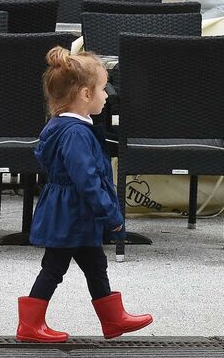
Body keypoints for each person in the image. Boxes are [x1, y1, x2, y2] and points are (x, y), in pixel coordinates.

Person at [17, 46, 153, 343]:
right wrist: (112, 215)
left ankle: (112, 319)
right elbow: (87, 180)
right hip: (73, 214)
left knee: (94, 263)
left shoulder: (62, 127)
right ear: (85, 95)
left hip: (70, 211)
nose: (106, 95)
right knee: (54, 268)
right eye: (103, 89)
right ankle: (30, 325)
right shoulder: (76, 134)